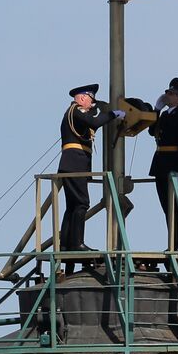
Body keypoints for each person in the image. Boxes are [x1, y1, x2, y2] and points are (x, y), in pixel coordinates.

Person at [57, 84, 124, 263]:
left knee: (72, 205)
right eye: (90, 100)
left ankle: (65, 244)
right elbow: (94, 123)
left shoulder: (75, 114)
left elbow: (91, 124)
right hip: (75, 163)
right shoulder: (76, 110)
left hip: (73, 164)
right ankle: (77, 243)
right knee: (81, 203)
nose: (92, 104)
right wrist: (112, 114)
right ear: (81, 98)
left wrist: (99, 113)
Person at [149, 77, 178, 254]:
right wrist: (156, 110)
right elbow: (151, 131)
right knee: (166, 207)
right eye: (167, 92)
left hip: (174, 165)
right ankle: (173, 242)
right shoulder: (165, 115)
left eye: (171, 93)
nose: (167, 95)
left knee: (176, 205)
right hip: (160, 165)